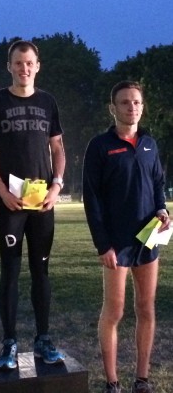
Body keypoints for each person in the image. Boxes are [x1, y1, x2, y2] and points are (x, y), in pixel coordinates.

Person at [0, 40, 66, 370]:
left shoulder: (48, 102)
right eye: (17, 63)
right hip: (10, 202)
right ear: (9, 66)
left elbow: (58, 149)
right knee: (10, 272)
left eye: (29, 63)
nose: (23, 68)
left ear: (37, 66)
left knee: (41, 271)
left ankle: (43, 339)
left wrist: (57, 186)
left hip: (42, 201)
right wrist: (1, 191)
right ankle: (9, 342)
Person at [82, 80, 171, 393]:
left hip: (148, 240)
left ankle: (142, 379)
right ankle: (112, 381)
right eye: (124, 102)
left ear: (142, 107)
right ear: (113, 108)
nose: (131, 107)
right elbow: (91, 199)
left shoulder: (149, 143)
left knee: (146, 309)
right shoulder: (100, 146)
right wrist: (102, 244)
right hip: (116, 244)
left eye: (136, 102)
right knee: (115, 311)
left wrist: (162, 210)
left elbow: (158, 183)